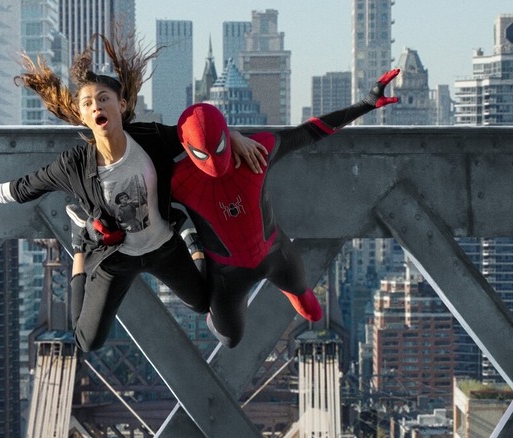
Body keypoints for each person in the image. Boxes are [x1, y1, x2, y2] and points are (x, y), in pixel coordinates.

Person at [0, 33, 263, 352]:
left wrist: (233, 136)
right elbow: (24, 188)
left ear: (122, 104)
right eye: (88, 103)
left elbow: (198, 133)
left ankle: (191, 239)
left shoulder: (149, 137)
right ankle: (78, 249)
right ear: (83, 115)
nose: (96, 106)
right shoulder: (74, 164)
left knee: (204, 302)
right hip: (114, 256)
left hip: (164, 246)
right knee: (88, 341)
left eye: (104, 99)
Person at [170, 69, 400, 348]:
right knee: (230, 338)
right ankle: (201, 257)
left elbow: (309, 132)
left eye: (218, 147)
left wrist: (364, 104)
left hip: (274, 252)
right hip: (227, 272)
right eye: (202, 154)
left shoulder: (258, 151)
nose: (213, 161)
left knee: (311, 310)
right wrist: (229, 134)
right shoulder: (179, 179)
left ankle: (292, 291)